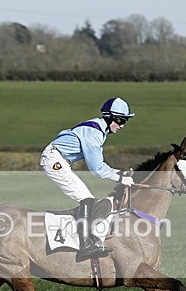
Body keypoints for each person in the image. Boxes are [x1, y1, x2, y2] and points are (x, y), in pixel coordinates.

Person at [40, 97, 136, 262]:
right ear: (109, 117)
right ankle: (85, 245)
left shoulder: (98, 128)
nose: (122, 125)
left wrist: (119, 174)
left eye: (125, 121)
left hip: (59, 158)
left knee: (87, 199)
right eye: (120, 120)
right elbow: (97, 169)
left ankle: (85, 238)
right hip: (54, 160)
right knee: (87, 199)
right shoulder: (95, 134)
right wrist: (120, 177)